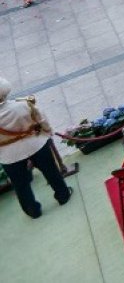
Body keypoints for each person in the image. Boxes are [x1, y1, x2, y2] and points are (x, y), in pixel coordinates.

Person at [0, 77, 72, 218]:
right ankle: (63, 195)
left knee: (20, 185)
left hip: (9, 155)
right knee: (51, 171)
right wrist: (48, 131)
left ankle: (32, 210)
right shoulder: (23, 105)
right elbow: (42, 120)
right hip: (35, 144)